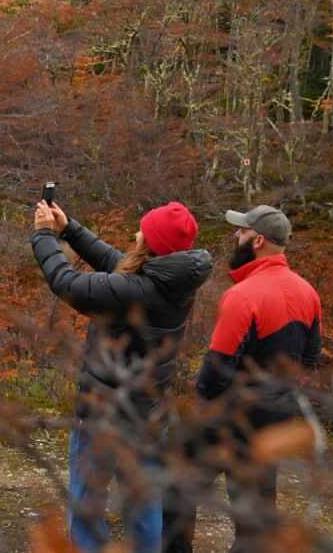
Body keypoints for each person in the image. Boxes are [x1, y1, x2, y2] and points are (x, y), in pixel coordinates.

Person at [32, 199, 213, 553]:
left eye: (142, 231)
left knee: (87, 498)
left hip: (104, 410)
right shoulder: (177, 280)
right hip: (147, 411)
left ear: (153, 244)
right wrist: (70, 229)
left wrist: (43, 236)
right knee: (144, 499)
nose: (136, 233)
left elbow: (67, 283)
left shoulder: (139, 291)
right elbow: (117, 263)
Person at [186, 204, 322, 553]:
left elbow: (213, 374)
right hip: (275, 418)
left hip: (229, 419)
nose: (237, 235)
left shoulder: (242, 296)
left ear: (258, 240)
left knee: (176, 489)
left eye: (242, 231)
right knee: (257, 520)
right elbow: (309, 361)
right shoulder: (308, 292)